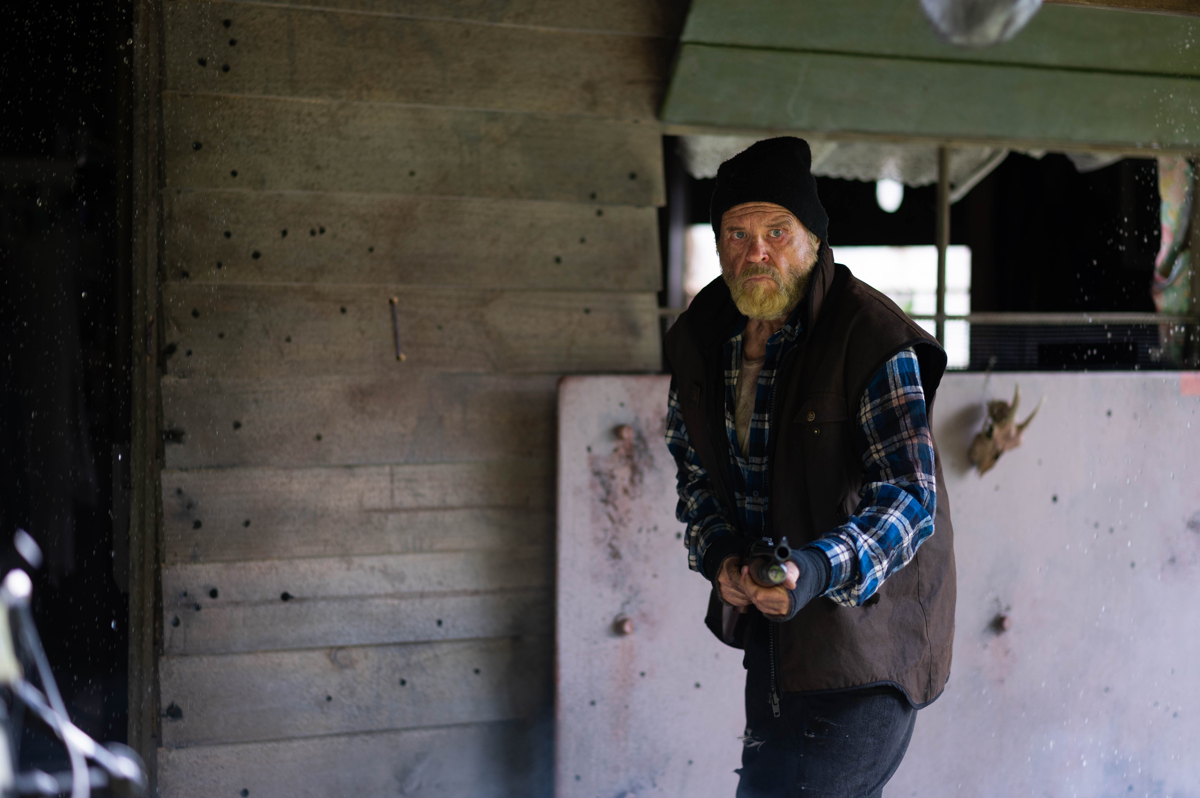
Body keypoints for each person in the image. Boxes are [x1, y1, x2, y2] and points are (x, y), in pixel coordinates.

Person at [663, 137, 956, 798]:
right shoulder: (702, 340)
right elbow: (695, 476)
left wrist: (815, 568)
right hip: (775, 642)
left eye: (776, 231)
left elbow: (910, 496)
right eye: (736, 232)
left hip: (868, 642)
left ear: (816, 242)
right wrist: (722, 561)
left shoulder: (870, 333)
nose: (755, 250)